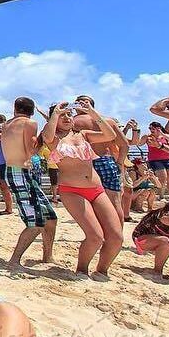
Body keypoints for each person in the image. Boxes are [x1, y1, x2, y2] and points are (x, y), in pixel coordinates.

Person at [43, 102, 121, 277]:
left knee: (116, 238)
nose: (67, 117)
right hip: (72, 190)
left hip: (96, 189)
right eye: (62, 115)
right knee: (95, 236)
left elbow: (110, 134)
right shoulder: (54, 138)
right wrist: (55, 113)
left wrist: (93, 112)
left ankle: (101, 271)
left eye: (69, 114)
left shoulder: (83, 134)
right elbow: (47, 137)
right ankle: (81, 270)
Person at [1, 97, 58, 267]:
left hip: (15, 171)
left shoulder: (7, 124)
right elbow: (30, 152)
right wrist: (40, 139)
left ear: (15, 109)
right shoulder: (29, 123)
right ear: (32, 111)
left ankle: (48, 257)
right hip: (21, 172)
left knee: (50, 217)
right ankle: (14, 261)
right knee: (36, 223)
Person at [72, 95, 128, 223]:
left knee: (92, 202)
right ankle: (117, 235)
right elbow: (124, 144)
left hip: (85, 164)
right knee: (115, 201)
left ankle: (99, 234)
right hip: (107, 161)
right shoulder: (108, 121)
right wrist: (120, 162)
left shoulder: (74, 122)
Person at [128, 121, 169, 202]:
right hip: (155, 160)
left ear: (158, 128)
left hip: (168, 159)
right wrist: (140, 135)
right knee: (163, 177)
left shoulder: (165, 137)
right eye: (149, 128)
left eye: (152, 128)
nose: (150, 130)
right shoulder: (148, 137)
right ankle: (161, 196)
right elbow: (138, 144)